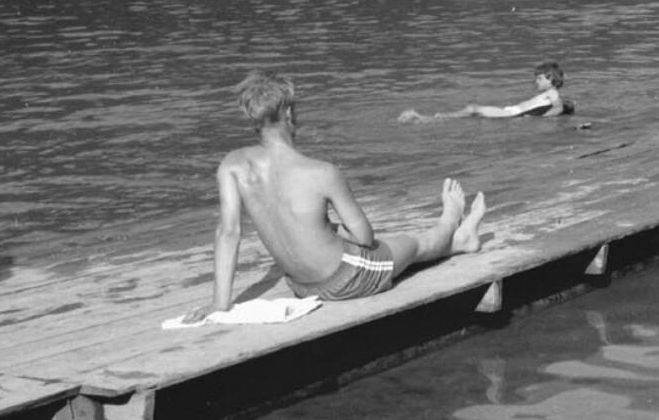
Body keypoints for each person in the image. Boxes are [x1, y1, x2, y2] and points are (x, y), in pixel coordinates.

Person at [181, 73, 486, 319]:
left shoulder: (232, 165)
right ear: (288, 113)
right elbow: (365, 238)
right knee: (415, 243)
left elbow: (228, 233)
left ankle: (461, 242)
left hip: (300, 285)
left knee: (390, 247)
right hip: (348, 279)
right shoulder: (321, 171)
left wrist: (220, 304)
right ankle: (450, 222)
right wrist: (331, 228)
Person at [399, 62, 574, 122]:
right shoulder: (548, 94)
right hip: (510, 112)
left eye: (540, 78)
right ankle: (430, 119)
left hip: (511, 116)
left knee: (473, 109)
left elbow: (557, 108)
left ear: (552, 80)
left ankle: (431, 118)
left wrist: (539, 119)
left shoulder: (553, 93)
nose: (536, 81)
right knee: (473, 113)